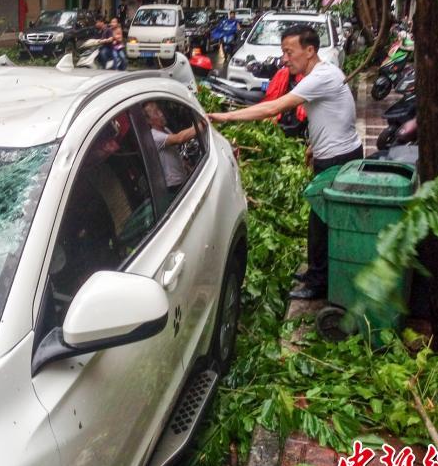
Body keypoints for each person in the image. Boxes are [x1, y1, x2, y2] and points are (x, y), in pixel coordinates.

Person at [207, 25, 363, 300]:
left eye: (289, 52)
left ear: (310, 50)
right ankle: (317, 273)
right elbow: (336, 115)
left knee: (320, 224)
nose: (284, 59)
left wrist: (223, 117)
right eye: (283, 52)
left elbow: (274, 107)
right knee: (322, 222)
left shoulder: (321, 76)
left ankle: (317, 284)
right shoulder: (323, 73)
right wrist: (315, 145)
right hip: (337, 154)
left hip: (338, 160)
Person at [142, 101, 198, 194]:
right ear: (149, 120)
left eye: (159, 110)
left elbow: (174, 152)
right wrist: (203, 124)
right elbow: (179, 138)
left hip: (182, 178)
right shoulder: (155, 136)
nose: (161, 114)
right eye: (156, 113)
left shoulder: (165, 129)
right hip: (175, 185)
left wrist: (186, 166)